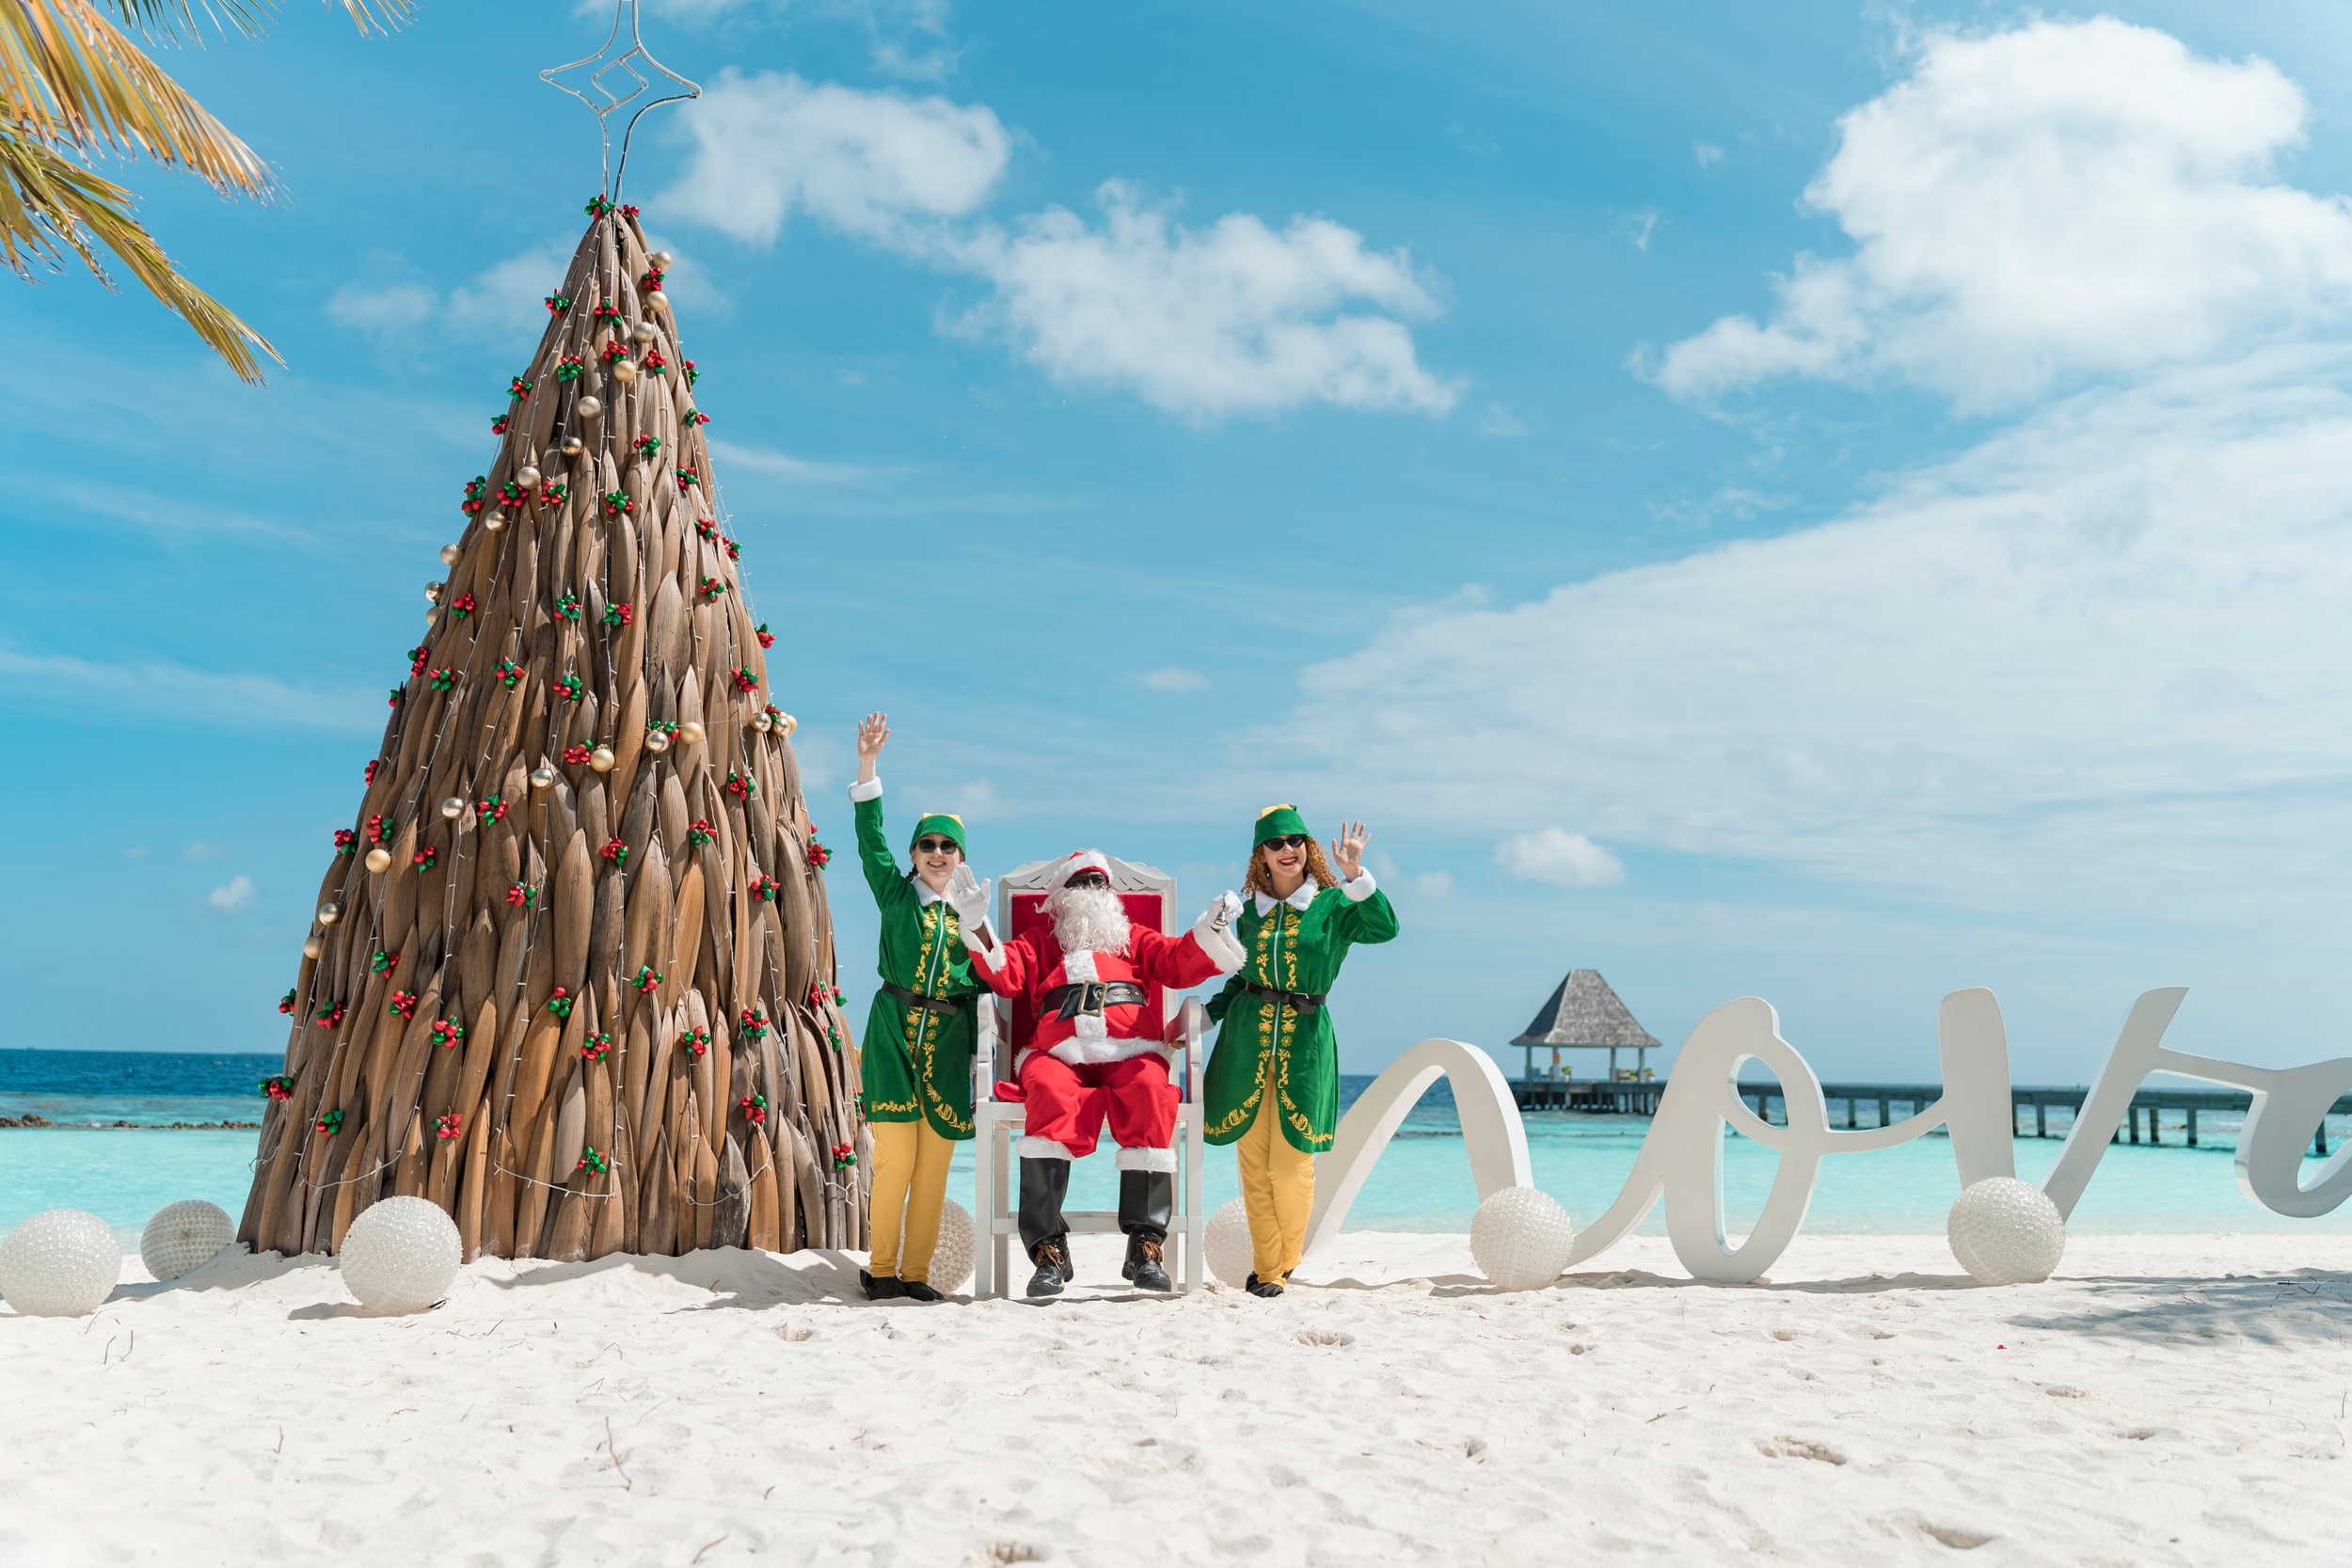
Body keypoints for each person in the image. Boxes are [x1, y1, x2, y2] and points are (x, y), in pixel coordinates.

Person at [951, 852, 1243, 1297]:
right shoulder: (1040, 941)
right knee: (1046, 1091)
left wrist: (1213, 929)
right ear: (1060, 898)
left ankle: (1145, 1244)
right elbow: (1005, 976)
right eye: (1081, 883)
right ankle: (1048, 1249)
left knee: (1151, 1089)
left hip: (1131, 1051)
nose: (1091, 892)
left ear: (1112, 896)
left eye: (1099, 884)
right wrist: (977, 925)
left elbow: (1178, 962)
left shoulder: (1133, 939)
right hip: (1057, 1054)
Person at [1202, 807, 1398, 1297]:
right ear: (1260, 855)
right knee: (1253, 1166)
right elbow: (1240, 976)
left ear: (1308, 848)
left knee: (1291, 1168)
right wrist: (1202, 1019)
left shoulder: (1333, 905)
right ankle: (1268, 1270)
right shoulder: (1246, 914)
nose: (1288, 850)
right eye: (1276, 843)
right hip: (1245, 1044)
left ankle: (1285, 1260)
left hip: (1307, 1045)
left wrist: (1356, 876)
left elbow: (1385, 928)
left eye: (1297, 841)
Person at [847, 712, 980, 1303]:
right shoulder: (895, 894)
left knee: (932, 1177)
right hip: (892, 1038)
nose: (937, 852)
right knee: (895, 1164)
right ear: (914, 852)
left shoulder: (972, 918)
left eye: (947, 846)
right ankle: (880, 1271)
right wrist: (868, 765)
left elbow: (990, 980)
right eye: (927, 844)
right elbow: (870, 840)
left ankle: (918, 1275)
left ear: (959, 856)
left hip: (948, 1049)